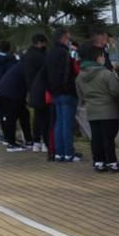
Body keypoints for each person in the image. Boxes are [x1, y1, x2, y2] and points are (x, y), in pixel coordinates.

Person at [77, 45, 119, 172]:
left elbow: (80, 94)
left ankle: (98, 162)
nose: (104, 58)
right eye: (103, 56)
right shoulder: (106, 74)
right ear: (98, 58)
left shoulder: (81, 75)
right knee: (108, 138)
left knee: (96, 137)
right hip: (109, 110)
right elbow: (115, 91)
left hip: (91, 110)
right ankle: (112, 163)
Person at [44, 29, 82, 162]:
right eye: (68, 38)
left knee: (59, 123)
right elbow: (72, 71)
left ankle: (59, 152)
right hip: (67, 92)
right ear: (63, 38)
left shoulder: (50, 53)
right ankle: (68, 152)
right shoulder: (66, 54)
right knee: (67, 123)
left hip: (55, 93)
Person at [0, 42, 32, 150]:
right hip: (11, 94)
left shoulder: (19, 65)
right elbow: (28, 83)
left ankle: (26, 139)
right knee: (12, 117)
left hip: (6, 91)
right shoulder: (25, 67)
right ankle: (11, 143)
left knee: (23, 115)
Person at [23, 34, 51, 155]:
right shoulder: (41, 56)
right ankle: (45, 142)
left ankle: (36, 141)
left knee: (37, 116)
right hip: (42, 89)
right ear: (40, 42)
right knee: (45, 117)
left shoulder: (27, 55)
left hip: (31, 89)